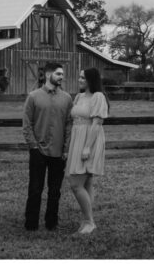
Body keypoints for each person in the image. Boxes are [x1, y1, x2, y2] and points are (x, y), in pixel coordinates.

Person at [22, 62, 73, 231]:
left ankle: (51, 223)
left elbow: (68, 125)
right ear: (48, 74)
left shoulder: (67, 99)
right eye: (58, 74)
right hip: (39, 151)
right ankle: (31, 223)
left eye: (62, 74)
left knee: (55, 191)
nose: (61, 77)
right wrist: (33, 146)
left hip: (59, 152)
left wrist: (66, 148)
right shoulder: (33, 96)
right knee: (35, 189)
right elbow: (27, 123)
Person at [66, 67, 109, 235]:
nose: (79, 80)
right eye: (79, 77)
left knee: (75, 183)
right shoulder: (79, 96)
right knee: (86, 182)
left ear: (92, 79)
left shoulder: (98, 97)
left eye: (83, 77)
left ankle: (89, 221)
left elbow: (97, 124)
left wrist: (86, 147)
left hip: (89, 140)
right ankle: (86, 219)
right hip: (77, 138)